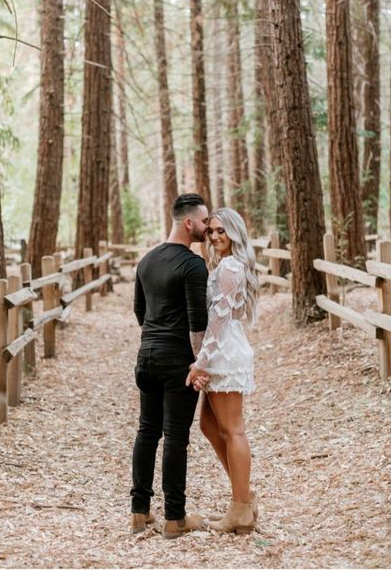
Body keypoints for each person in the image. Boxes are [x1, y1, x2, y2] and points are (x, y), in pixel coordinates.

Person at [130, 193, 210, 539]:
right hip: (177, 359)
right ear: (189, 223)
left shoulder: (146, 261)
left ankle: (139, 511)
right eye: (205, 222)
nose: (208, 228)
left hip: (146, 356)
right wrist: (200, 363)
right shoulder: (192, 265)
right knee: (176, 436)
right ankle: (174, 518)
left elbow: (139, 312)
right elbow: (197, 323)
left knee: (147, 431)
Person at [186, 207, 259, 535]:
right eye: (211, 231)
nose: (215, 237)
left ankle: (240, 509)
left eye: (221, 231)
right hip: (221, 351)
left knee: (232, 430)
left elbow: (219, 318)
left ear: (234, 233)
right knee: (209, 424)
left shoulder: (230, 266)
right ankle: (245, 496)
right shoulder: (225, 264)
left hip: (223, 353)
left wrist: (202, 359)